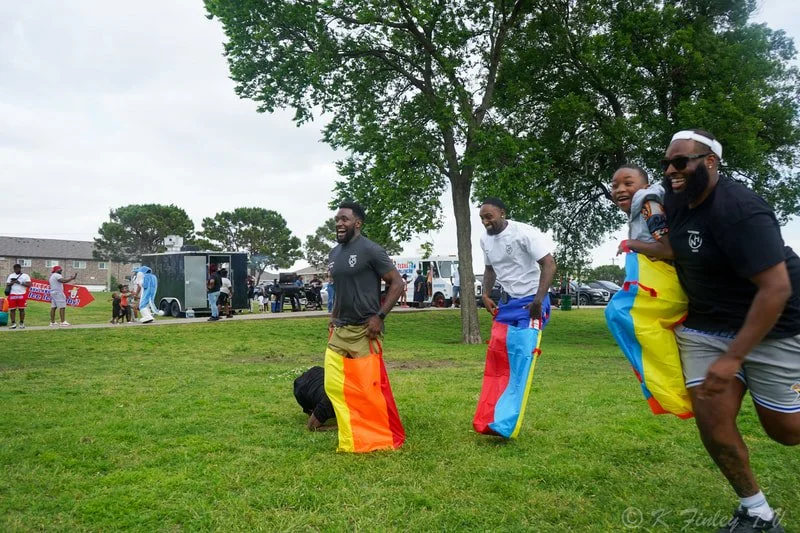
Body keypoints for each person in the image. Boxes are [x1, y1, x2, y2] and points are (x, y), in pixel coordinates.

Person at [663, 129, 800, 532]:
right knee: (713, 420)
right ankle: (756, 511)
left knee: (787, 432)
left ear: (710, 162)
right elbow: (679, 242)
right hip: (706, 324)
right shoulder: (676, 196)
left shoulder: (741, 209)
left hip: (775, 322)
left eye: (681, 162)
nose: (672, 170)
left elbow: (776, 289)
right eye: (667, 163)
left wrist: (735, 357)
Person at [473, 197, 556, 438]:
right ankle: (490, 418)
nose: (486, 221)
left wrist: (539, 300)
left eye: (489, 216)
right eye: (481, 218)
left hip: (531, 302)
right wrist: (486, 294)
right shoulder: (484, 239)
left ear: (502, 212)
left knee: (520, 363)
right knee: (498, 361)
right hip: (508, 304)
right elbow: (490, 269)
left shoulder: (524, 233)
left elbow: (549, 264)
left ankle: (506, 423)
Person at [611, 164, 672, 258]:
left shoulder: (650, 208)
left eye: (628, 183)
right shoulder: (637, 213)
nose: (620, 190)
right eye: (615, 186)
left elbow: (669, 250)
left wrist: (630, 243)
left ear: (646, 188)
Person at [293, 366, 337, 431]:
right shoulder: (329, 401)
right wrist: (338, 427)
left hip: (320, 373)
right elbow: (312, 426)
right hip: (303, 386)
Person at [5, 263, 31, 330]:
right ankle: (13, 323)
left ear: (20, 269)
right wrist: (13, 282)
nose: (16, 270)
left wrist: (20, 282)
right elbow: (7, 283)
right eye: (14, 269)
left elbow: (29, 284)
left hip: (21, 294)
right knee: (12, 310)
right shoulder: (11, 275)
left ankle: (21, 323)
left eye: (17, 268)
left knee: (21, 309)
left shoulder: (25, 276)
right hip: (12, 294)